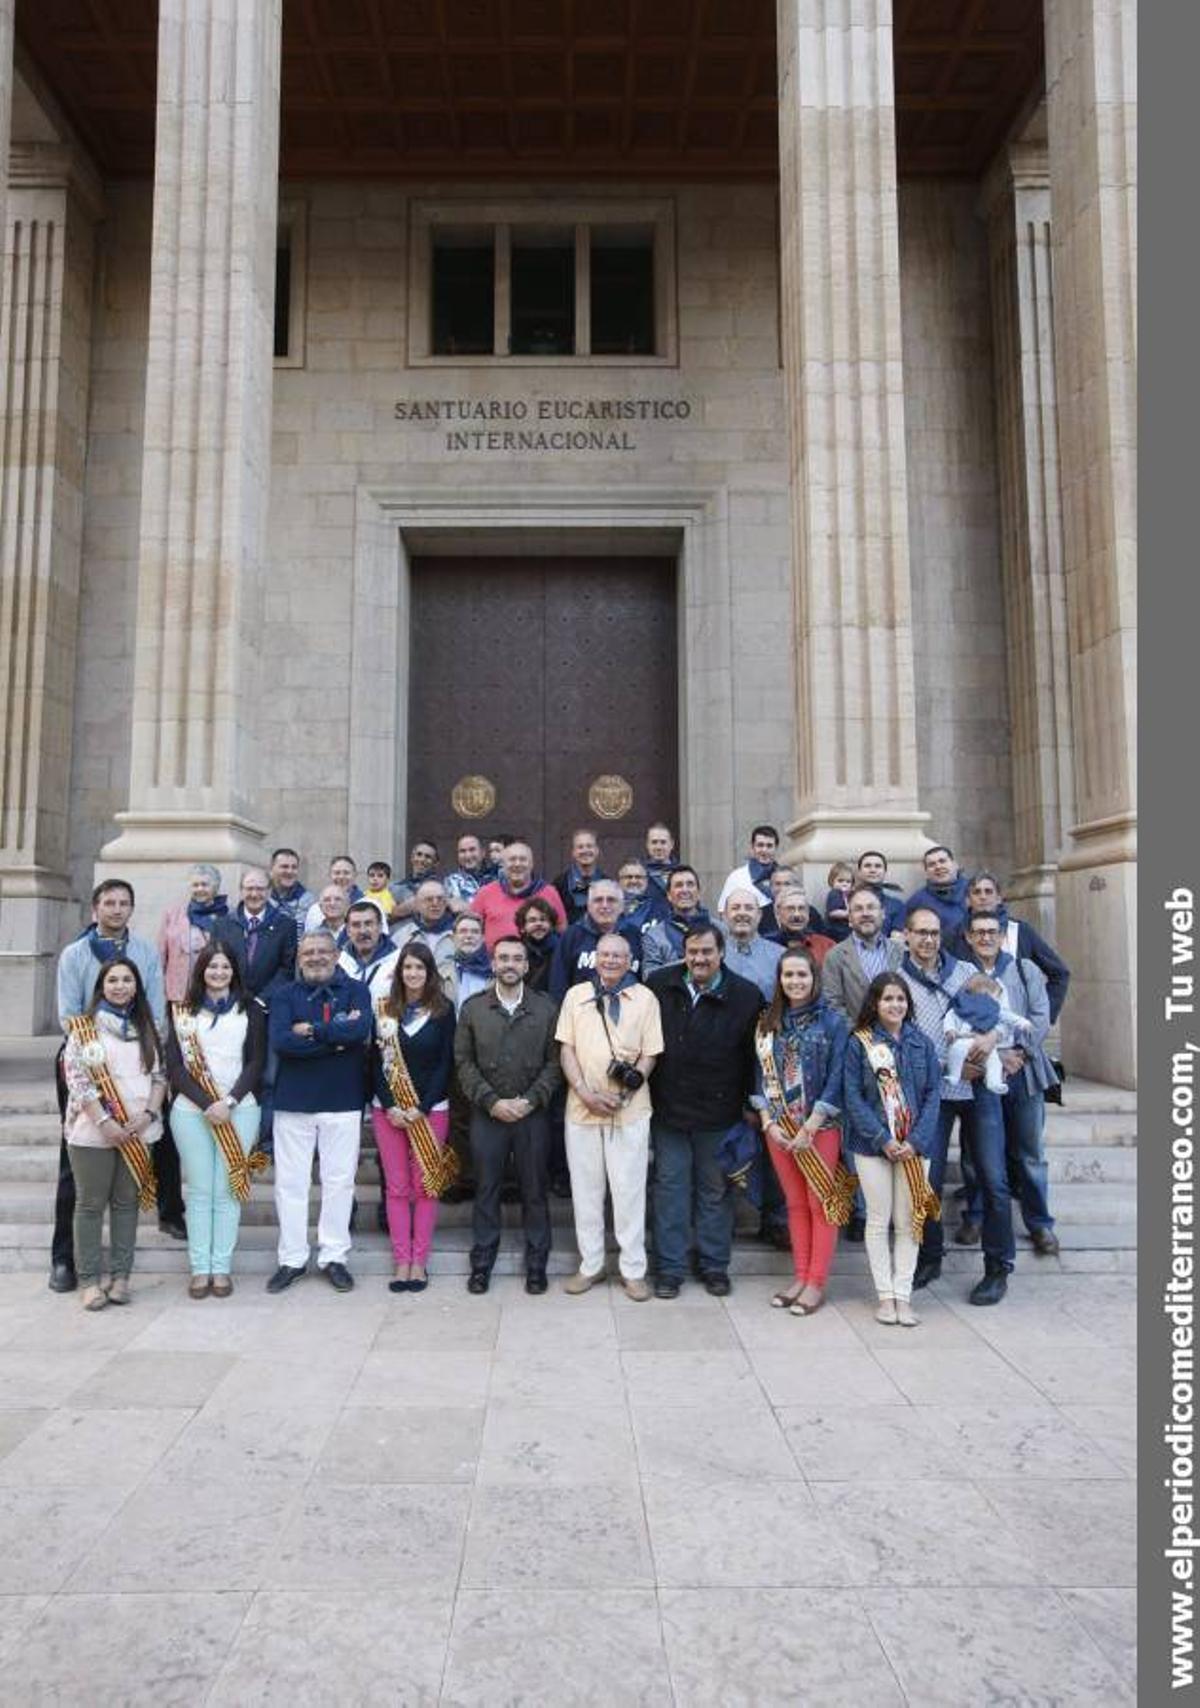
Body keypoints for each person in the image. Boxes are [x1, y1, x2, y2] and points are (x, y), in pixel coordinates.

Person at [51, 879, 178, 1294]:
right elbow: (70, 1013)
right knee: (76, 1168)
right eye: (109, 903)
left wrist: (143, 1046)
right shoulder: (75, 953)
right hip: (87, 1057)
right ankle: (64, 1260)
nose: (117, 909)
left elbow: (156, 1007)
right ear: (95, 907)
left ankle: (134, 1255)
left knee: (133, 1176)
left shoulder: (142, 952)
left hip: (137, 1055)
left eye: (124, 903)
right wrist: (93, 1056)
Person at [646, 923, 764, 1298]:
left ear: (721, 953)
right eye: (692, 952)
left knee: (715, 1191)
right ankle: (670, 1268)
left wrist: (750, 1102)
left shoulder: (746, 996)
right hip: (669, 1111)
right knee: (670, 1190)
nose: (699, 959)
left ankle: (714, 1265)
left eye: (707, 952)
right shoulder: (659, 985)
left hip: (720, 1112)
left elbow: (754, 1057)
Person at [555, 934, 662, 1301]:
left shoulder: (645, 998)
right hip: (582, 1109)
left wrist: (625, 1092)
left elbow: (650, 1054)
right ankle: (591, 1265)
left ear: (630, 960)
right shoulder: (575, 996)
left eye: (618, 955)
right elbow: (566, 1049)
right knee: (586, 1191)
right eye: (605, 955)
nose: (611, 961)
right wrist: (584, 1091)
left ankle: (633, 1270)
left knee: (629, 1191)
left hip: (629, 1110)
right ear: (595, 959)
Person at [454, 936, 562, 1295]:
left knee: (534, 1191)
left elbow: (555, 1062)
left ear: (527, 966)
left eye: (517, 958)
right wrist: (490, 1101)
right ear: (493, 963)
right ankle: (482, 1263)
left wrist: (531, 1100)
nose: (510, 964)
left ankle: (536, 1264)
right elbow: (463, 1062)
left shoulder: (546, 1008)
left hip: (532, 1115)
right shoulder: (473, 1009)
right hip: (488, 1114)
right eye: (503, 958)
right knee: (487, 1190)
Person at [266, 932, 372, 1293]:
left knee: (339, 1182)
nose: (315, 958)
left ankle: (334, 1255)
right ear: (299, 957)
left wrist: (312, 1032)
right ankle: (292, 1258)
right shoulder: (283, 995)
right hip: (293, 1101)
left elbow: (359, 1031)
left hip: (343, 1100)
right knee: (291, 1184)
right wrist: (336, 1040)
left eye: (322, 951)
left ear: (336, 954)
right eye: (308, 952)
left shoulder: (357, 991)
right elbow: (282, 1042)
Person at [62, 957, 166, 1310]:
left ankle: (121, 1277)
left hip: (138, 1131)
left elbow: (160, 1078)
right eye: (112, 981)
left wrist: (148, 1114)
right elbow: (77, 1079)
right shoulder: (84, 1027)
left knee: (126, 1205)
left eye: (126, 980)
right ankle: (89, 1281)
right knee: (90, 1205)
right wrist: (105, 1121)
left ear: (137, 985)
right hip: (94, 1132)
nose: (120, 986)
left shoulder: (148, 1028)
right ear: (101, 987)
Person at [751, 949, 850, 1316]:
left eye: (802, 975)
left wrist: (811, 1125)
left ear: (814, 977)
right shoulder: (768, 1021)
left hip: (818, 1128)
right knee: (794, 1204)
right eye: (788, 975)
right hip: (779, 1129)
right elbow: (758, 1076)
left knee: (818, 1204)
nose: (795, 981)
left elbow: (839, 1076)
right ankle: (800, 1275)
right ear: (779, 979)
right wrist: (768, 1122)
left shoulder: (833, 1023)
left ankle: (816, 1282)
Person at [165, 943, 265, 1298]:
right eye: (212, 967)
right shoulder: (183, 1012)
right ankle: (199, 1268)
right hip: (192, 1112)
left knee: (226, 1190)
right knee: (199, 1191)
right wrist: (209, 1103)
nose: (218, 973)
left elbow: (255, 1062)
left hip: (240, 1109)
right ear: (201, 971)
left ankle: (220, 1268)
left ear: (234, 970)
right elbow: (175, 1067)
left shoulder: (250, 1009)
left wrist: (230, 1101)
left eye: (225, 967)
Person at [961, 910, 1061, 1260]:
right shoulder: (962, 974)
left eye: (992, 932)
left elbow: (1039, 1016)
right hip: (980, 1072)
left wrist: (1017, 1052)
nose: (986, 937)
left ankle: (1039, 1222)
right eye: (979, 932)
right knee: (976, 1153)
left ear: (1003, 936)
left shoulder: (1025, 970)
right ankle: (975, 1215)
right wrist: (987, 1055)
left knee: (1029, 1152)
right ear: (969, 938)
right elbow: (959, 1017)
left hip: (1024, 1072)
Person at [842, 974, 942, 1326]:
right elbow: (852, 1095)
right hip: (872, 1147)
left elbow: (933, 1095)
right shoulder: (859, 1043)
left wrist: (913, 1141)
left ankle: (904, 1296)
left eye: (901, 999)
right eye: (888, 999)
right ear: (875, 1003)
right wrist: (882, 1138)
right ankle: (885, 1297)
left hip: (915, 1147)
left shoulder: (922, 1043)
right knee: (878, 1219)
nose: (895, 1005)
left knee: (908, 1223)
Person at [897, 905, 984, 1291]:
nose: (928, 940)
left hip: (975, 1087)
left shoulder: (965, 974)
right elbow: (898, 1044)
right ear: (907, 936)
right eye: (920, 933)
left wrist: (987, 1047)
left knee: (990, 1173)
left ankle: (996, 1264)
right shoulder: (896, 981)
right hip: (929, 1093)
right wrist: (946, 1065)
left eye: (933, 933)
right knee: (926, 1179)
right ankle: (929, 1256)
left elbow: (992, 1017)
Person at [371, 943, 457, 1294]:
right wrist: (391, 1104)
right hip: (387, 1111)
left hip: (430, 1111)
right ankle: (401, 1260)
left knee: (425, 1187)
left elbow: (445, 1063)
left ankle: (419, 1261)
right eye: (408, 967)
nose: (413, 974)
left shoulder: (442, 1010)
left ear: (429, 972)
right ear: (399, 972)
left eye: (420, 968)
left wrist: (420, 1108)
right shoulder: (385, 1010)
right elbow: (374, 1062)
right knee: (396, 1188)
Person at [949, 870, 1072, 1024]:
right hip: (969, 1030)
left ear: (999, 898)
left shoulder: (1020, 931)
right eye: (976, 892)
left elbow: (1060, 974)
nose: (983, 896)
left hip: (1017, 1030)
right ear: (968, 900)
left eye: (988, 891)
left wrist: (1042, 1017)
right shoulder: (954, 936)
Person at [549, 879, 641, 1003]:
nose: (604, 905)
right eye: (598, 900)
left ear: (622, 906)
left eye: (611, 900)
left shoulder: (634, 936)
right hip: (581, 1013)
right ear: (588, 906)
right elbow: (558, 985)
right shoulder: (572, 936)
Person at [820, 886, 905, 1020]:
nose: (865, 913)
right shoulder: (835, 956)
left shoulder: (901, 952)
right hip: (855, 1036)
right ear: (849, 918)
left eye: (871, 907)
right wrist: (861, 1036)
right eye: (858, 909)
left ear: (882, 914)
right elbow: (832, 1005)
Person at [213, 868, 297, 1000]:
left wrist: (262, 1000)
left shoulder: (286, 925)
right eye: (249, 888)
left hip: (268, 1006)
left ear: (269, 891)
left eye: (260, 889)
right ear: (241, 891)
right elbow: (214, 963)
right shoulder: (222, 925)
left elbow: (287, 970)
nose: (254, 894)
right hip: (229, 1001)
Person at [943, 973, 1032, 1093]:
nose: (996, 1000)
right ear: (984, 994)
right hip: (964, 1039)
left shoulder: (993, 1010)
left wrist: (1022, 1022)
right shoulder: (960, 1007)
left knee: (994, 1060)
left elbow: (1007, 1016)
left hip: (986, 1043)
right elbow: (950, 1017)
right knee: (956, 1051)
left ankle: (994, 1082)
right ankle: (954, 1075)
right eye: (994, 996)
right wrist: (950, 1030)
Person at [471, 841, 567, 950]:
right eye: (512, 859)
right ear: (503, 864)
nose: (517, 864)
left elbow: (562, 931)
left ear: (531, 864)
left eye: (523, 859)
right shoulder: (485, 893)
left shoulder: (549, 892)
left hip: (540, 964)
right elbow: (472, 929)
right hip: (493, 964)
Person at [158, 863, 229, 1001]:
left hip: (215, 989)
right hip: (179, 991)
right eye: (195, 885)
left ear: (215, 887)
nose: (199, 889)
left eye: (204, 885)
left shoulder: (227, 915)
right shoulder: (173, 914)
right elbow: (161, 953)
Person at [641, 865, 711, 972]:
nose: (685, 890)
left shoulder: (720, 930)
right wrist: (687, 963)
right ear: (669, 895)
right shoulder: (654, 936)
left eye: (690, 884)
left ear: (698, 893)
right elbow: (649, 976)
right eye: (679, 885)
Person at [721, 888, 784, 1000]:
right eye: (735, 908)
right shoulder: (712, 956)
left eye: (749, 908)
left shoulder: (780, 956)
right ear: (724, 916)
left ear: (759, 915)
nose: (742, 913)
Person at [338, 899, 400, 1002]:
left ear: (380, 927)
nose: (362, 931)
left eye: (368, 923)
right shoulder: (338, 964)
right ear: (348, 931)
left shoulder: (400, 961)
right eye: (356, 925)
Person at [906, 844, 972, 937]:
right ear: (926, 872)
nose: (938, 867)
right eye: (932, 864)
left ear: (955, 864)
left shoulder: (976, 890)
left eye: (942, 861)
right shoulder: (917, 901)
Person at [393, 880, 456, 975]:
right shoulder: (402, 936)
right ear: (417, 904)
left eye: (440, 899)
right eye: (429, 899)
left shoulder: (459, 934)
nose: (435, 904)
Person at [717, 824, 781, 913]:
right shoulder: (737, 877)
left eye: (769, 846)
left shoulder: (785, 877)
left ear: (776, 848)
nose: (764, 850)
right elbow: (723, 910)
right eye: (760, 845)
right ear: (752, 847)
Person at [766, 888, 835, 967]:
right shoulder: (765, 947)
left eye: (801, 908)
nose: (797, 914)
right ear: (778, 914)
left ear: (808, 913)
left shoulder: (827, 946)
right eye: (790, 909)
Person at [554, 829, 606, 924]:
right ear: (573, 852)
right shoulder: (559, 884)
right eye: (580, 847)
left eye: (589, 846)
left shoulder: (608, 883)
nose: (585, 850)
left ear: (597, 850)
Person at [515, 896, 561, 994]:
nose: (538, 924)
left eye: (543, 919)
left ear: (551, 925)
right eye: (532, 920)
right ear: (522, 927)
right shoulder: (516, 952)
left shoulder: (562, 951)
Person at [855, 851, 907, 936]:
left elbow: (897, 941)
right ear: (859, 872)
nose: (873, 870)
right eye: (867, 866)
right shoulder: (845, 902)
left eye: (878, 866)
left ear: (884, 872)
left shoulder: (897, 905)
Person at [389, 841, 441, 921]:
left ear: (435, 864)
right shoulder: (394, 887)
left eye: (428, 857)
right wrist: (397, 911)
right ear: (412, 858)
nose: (422, 859)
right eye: (419, 854)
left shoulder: (443, 888)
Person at [616, 857, 670, 934]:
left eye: (638, 877)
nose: (634, 881)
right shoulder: (610, 906)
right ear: (619, 881)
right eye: (628, 877)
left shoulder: (660, 909)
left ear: (646, 881)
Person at [269, 847, 315, 930]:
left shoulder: (308, 900)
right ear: (272, 869)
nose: (290, 871)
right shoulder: (261, 895)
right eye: (284, 867)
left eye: (294, 867)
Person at [445, 833, 487, 914]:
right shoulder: (451, 881)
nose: (467, 855)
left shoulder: (495, 879)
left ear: (483, 853)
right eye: (462, 851)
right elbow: (457, 908)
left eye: (472, 850)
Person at [822, 861, 855, 943]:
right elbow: (833, 912)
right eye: (840, 881)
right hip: (835, 930)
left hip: (845, 930)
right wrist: (849, 914)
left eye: (848, 882)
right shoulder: (835, 893)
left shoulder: (848, 896)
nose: (844, 884)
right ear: (832, 881)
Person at [643, 822, 679, 891]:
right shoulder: (639, 874)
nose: (658, 847)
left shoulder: (682, 872)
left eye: (663, 842)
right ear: (647, 845)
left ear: (671, 844)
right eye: (654, 842)